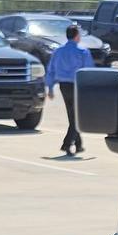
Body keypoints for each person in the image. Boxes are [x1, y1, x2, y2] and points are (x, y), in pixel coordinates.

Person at [44, 24, 93, 155]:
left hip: (63, 86)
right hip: (77, 86)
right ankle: (67, 144)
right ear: (76, 36)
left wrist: (50, 87)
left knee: (72, 115)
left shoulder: (58, 51)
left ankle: (79, 144)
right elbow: (88, 71)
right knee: (77, 117)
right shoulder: (83, 52)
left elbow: (51, 70)